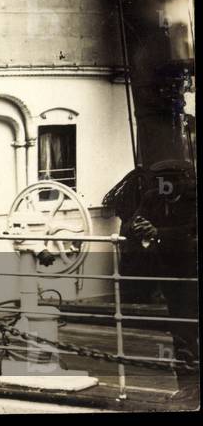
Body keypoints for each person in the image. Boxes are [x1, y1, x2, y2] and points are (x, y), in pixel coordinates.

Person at [104, 161, 198, 403]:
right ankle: (188, 385)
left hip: (193, 270)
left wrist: (159, 233)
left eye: (166, 181)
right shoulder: (152, 198)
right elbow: (130, 225)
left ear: (181, 181)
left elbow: (192, 233)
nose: (160, 187)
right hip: (171, 273)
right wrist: (139, 227)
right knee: (181, 329)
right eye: (157, 182)